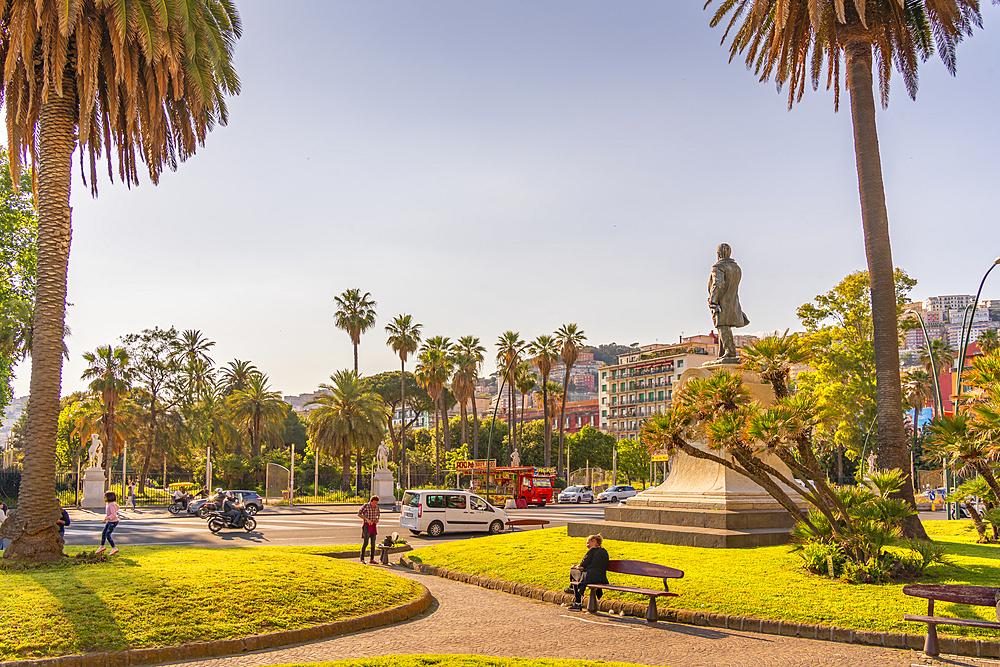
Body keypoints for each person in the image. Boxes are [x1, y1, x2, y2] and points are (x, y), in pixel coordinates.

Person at [708, 243, 750, 361]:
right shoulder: (737, 268)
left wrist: (713, 301)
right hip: (733, 301)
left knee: (722, 325)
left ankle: (730, 351)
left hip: (721, 301)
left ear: (718, 254)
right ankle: (722, 352)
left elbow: (718, 284)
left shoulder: (718, 267)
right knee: (724, 326)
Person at [564, 533, 609, 611]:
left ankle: (576, 601)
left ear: (594, 541)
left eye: (588, 543)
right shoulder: (604, 551)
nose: (586, 545)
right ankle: (572, 591)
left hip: (590, 577)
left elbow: (581, 565)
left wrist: (575, 566)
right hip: (601, 578)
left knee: (573, 571)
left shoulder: (592, 550)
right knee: (579, 576)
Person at [96, 491, 120, 556]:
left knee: (107, 534)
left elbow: (113, 514)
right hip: (110, 521)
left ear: (109, 498)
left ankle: (114, 548)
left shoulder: (111, 505)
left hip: (113, 521)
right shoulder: (111, 504)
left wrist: (106, 518)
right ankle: (102, 546)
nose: (104, 499)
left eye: (105, 498)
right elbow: (117, 507)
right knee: (104, 533)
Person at [357, 495, 380, 564]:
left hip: (373, 526)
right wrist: (366, 519)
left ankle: (372, 559)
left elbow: (378, 514)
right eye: (374, 503)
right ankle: (362, 559)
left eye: (376, 503)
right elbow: (359, 513)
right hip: (367, 526)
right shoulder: (366, 506)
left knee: (373, 543)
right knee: (365, 542)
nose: (375, 505)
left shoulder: (376, 507)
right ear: (370, 501)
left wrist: (377, 519)